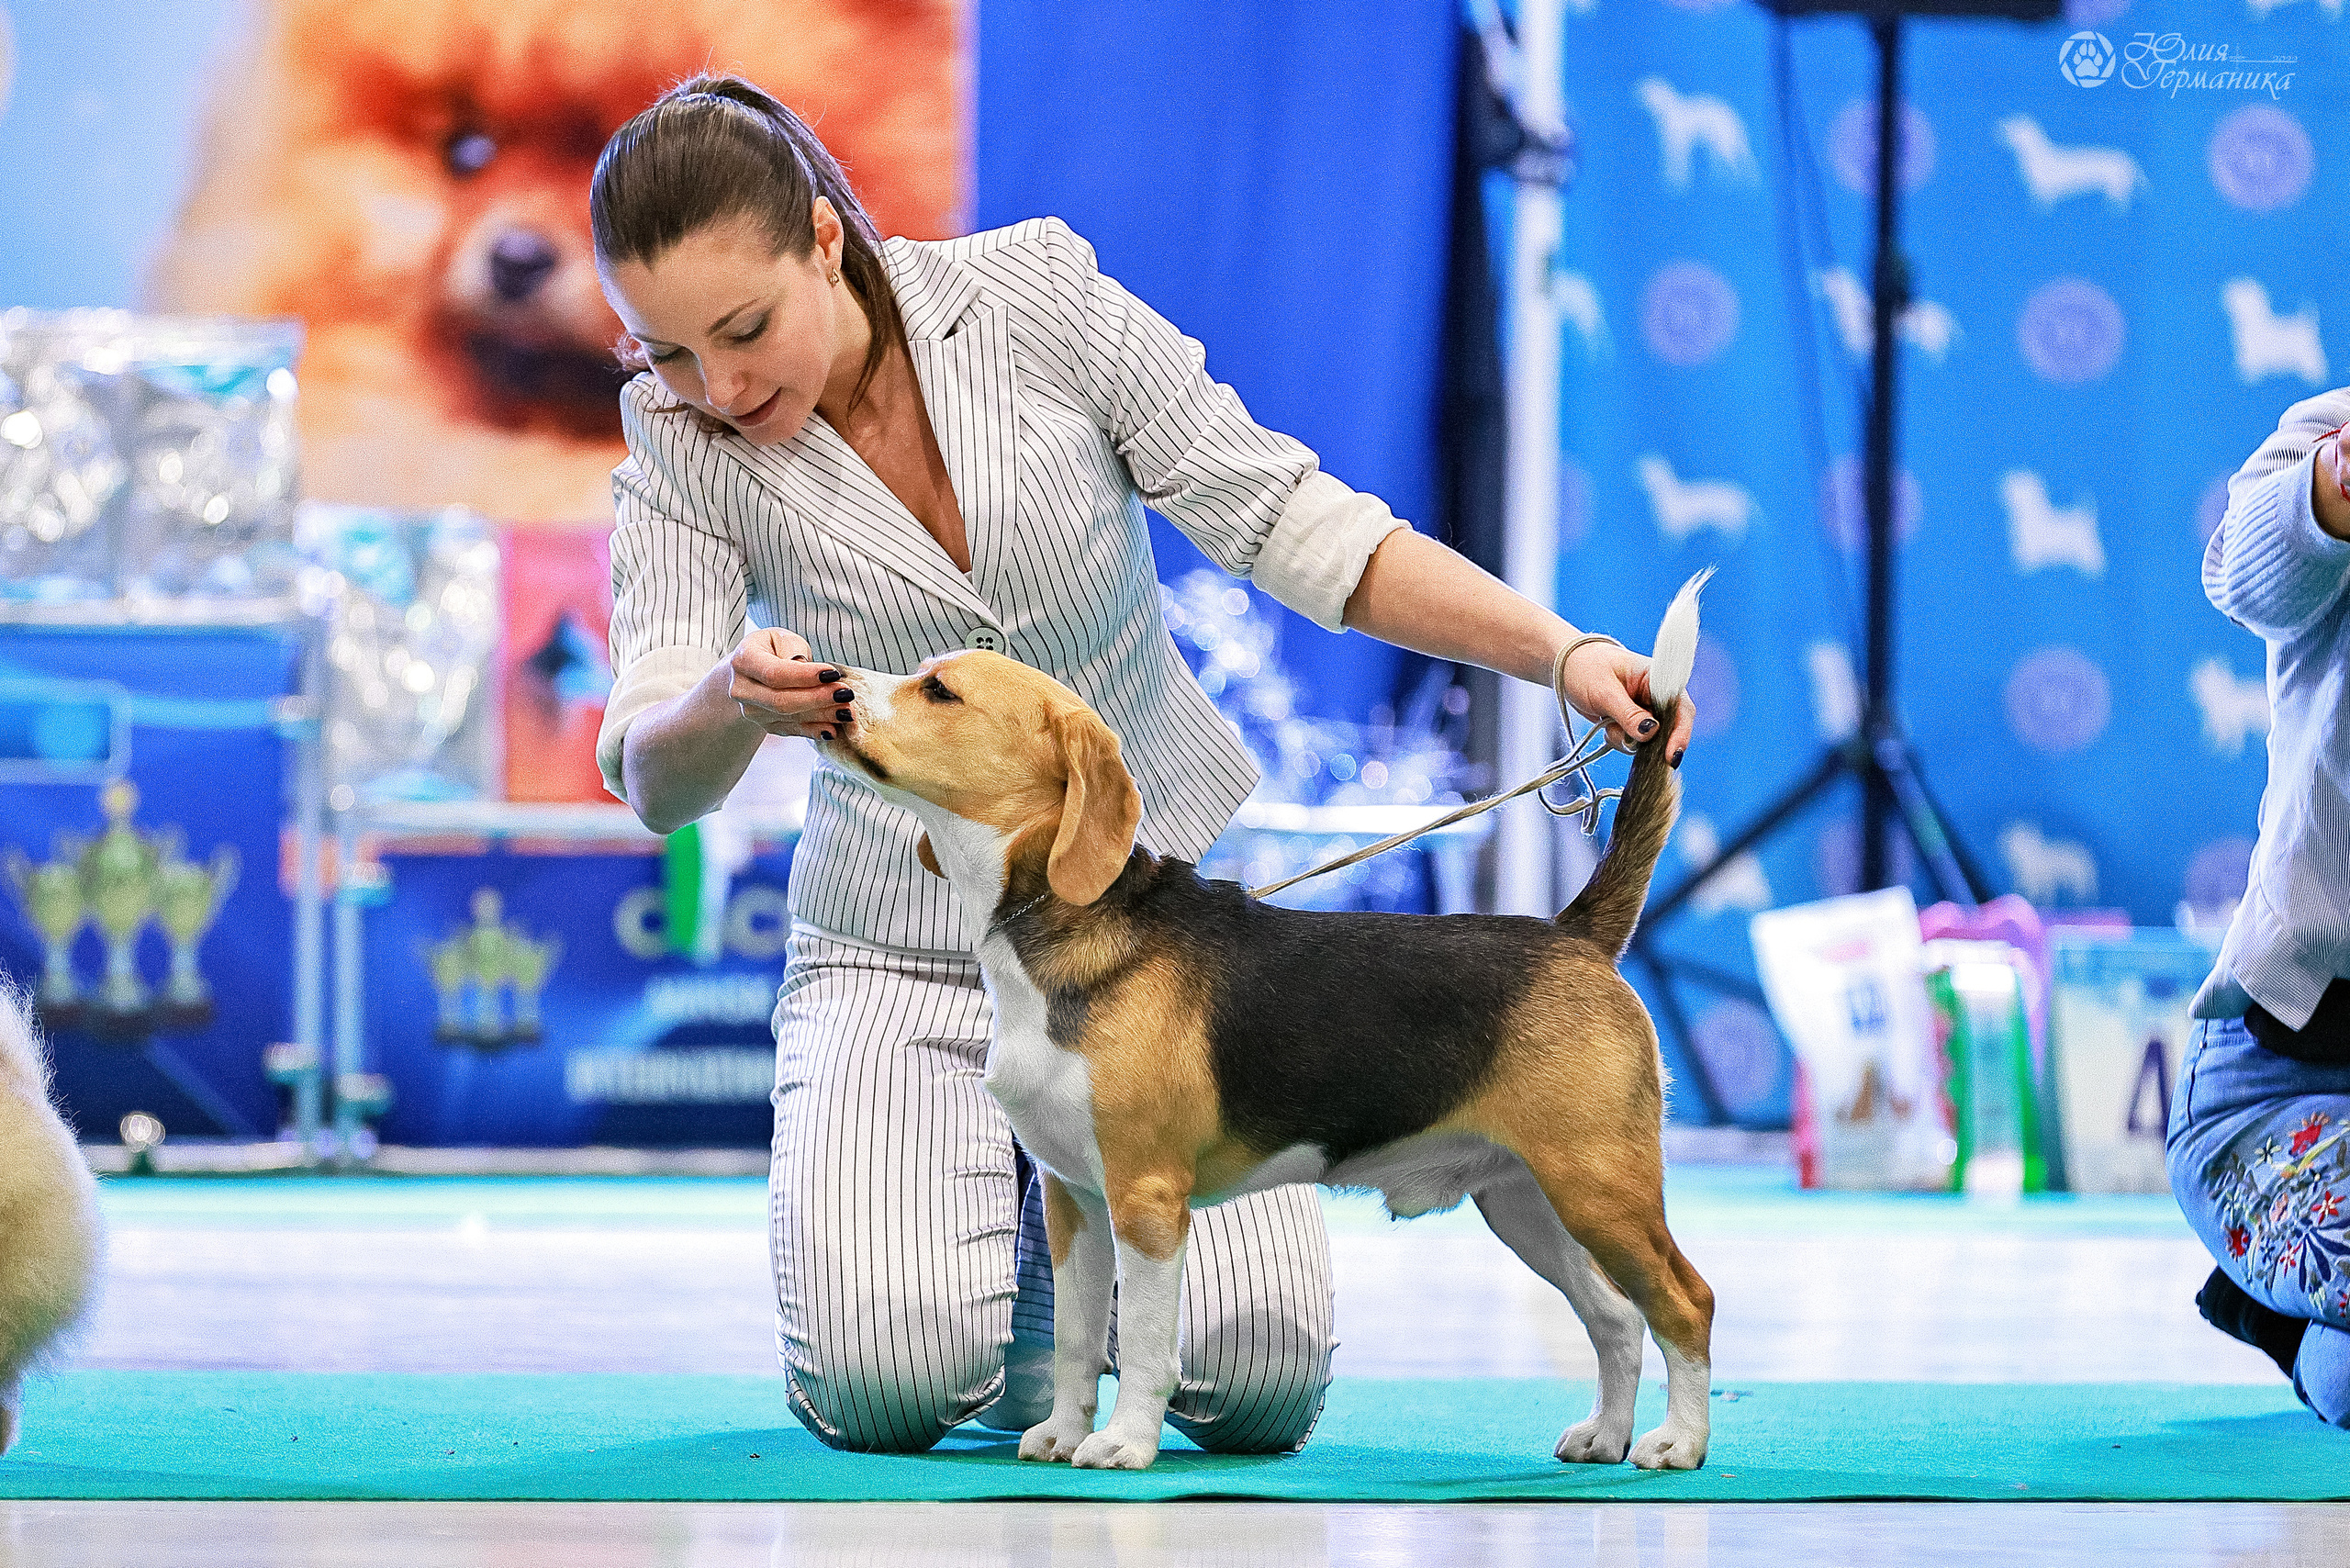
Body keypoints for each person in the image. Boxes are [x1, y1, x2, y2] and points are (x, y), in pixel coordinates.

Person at [588, 74, 1696, 1455]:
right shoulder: (682, 444)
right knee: (886, 1387)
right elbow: (653, 777)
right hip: (898, 950)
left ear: (825, 238)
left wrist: (1556, 650)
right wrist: (724, 701)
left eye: (743, 330)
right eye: (669, 354)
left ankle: (1078, 1264)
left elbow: (1294, 520)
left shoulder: (1033, 297)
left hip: (1146, 927)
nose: (723, 386)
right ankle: (1014, 1273)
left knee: (1259, 1387)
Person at [2170, 387, 2350, 1429]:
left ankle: (2301, 1322)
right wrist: (2333, 484)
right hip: (2270, 1096)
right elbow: (2240, 570)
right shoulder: (2326, 428)